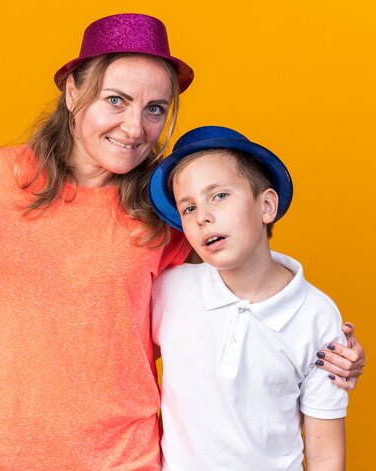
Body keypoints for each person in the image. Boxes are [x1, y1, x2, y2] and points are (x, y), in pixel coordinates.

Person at [0, 13, 364, 470]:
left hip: (123, 458)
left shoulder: (168, 212)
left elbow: (240, 301)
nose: (134, 127)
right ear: (73, 93)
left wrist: (324, 348)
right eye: (116, 100)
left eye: (154, 109)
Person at [148, 125, 350, 470]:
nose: (203, 217)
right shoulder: (168, 291)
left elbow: (325, 452)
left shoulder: (316, 315)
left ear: (266, 205)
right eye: (188, 207)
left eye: (219, 196)